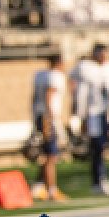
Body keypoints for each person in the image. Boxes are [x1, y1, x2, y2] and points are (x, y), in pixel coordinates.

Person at [71, 43, 109, 197]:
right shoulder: (86, 67)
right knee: (97, 147)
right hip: (92, 112)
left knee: (102, 146)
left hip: (104, 112)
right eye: (101, 53)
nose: (104, 57)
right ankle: (99, 180)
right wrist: (80, 114)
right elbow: (78, 88)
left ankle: (99, 180)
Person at [31, 54, 68, 202]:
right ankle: (51, 189)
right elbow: (48, 96)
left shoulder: (40, 75)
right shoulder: (55, 76)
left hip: (40, 116)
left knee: (48, 154)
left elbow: (33, 98)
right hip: (48, 118)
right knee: (51, 155)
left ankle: (38, 185)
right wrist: (54, 120)